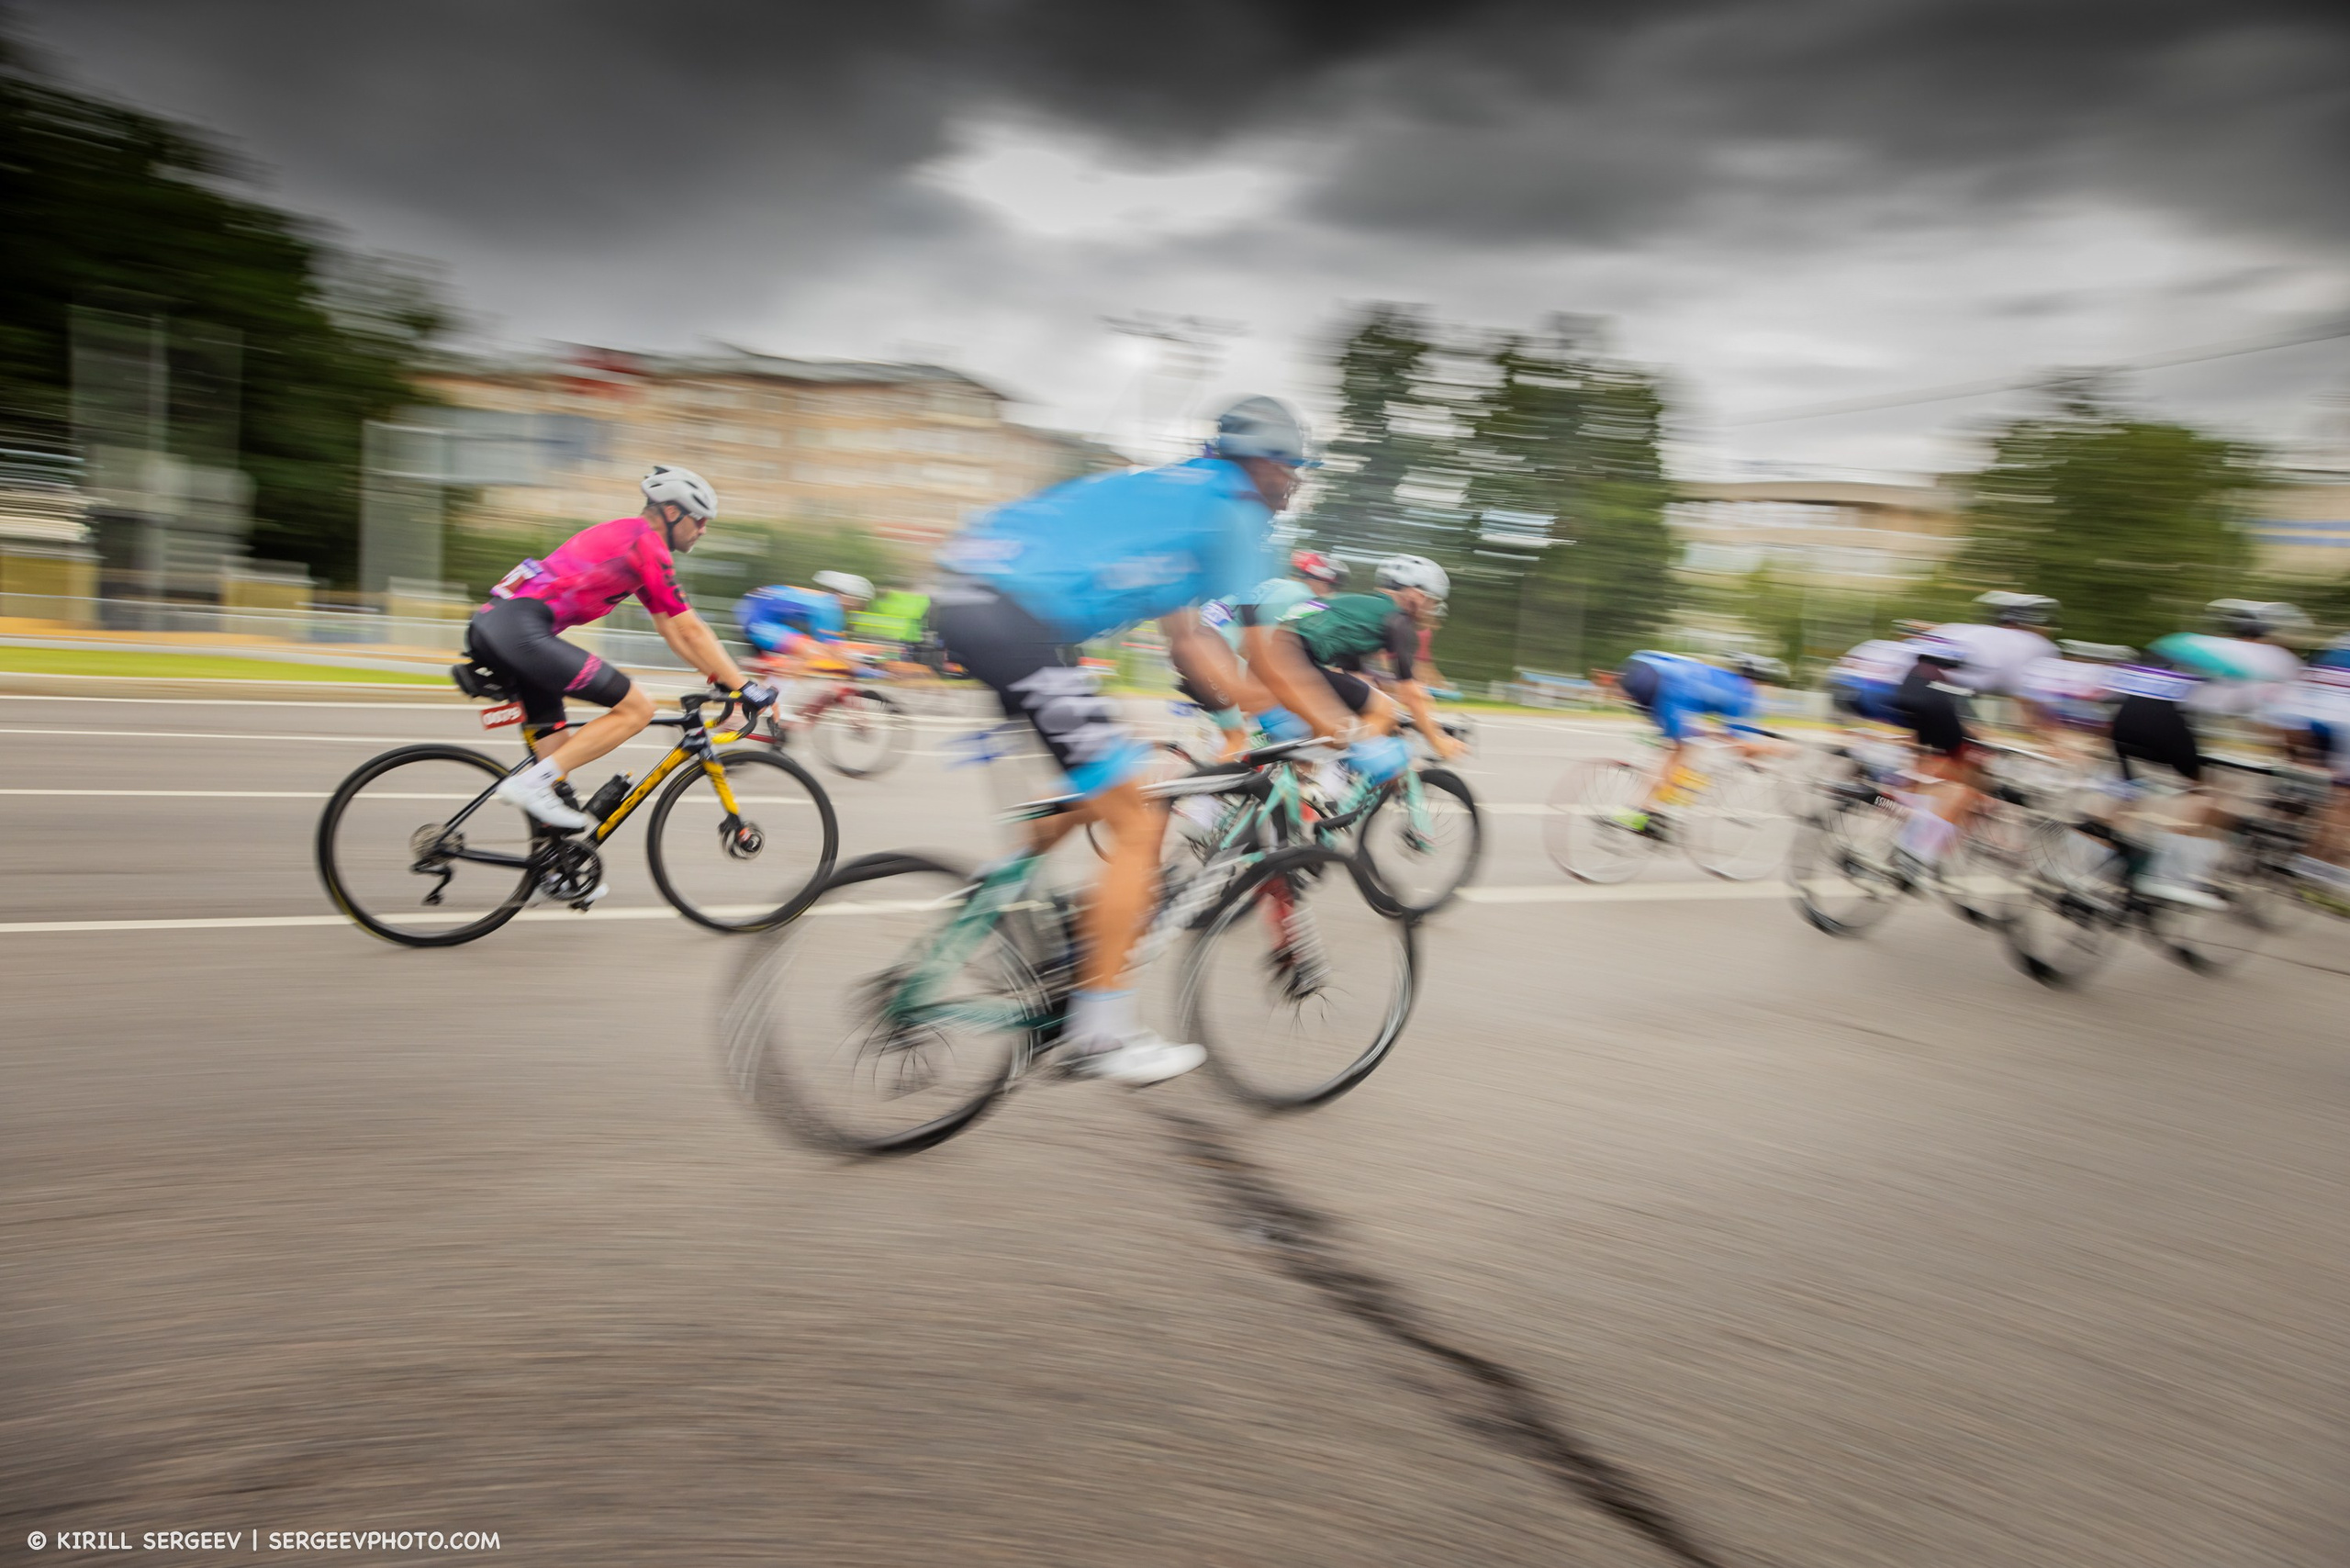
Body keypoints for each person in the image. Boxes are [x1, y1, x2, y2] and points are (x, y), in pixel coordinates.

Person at [930, 394, 1322, 1086]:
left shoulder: (1182, 495)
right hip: (1013, 619)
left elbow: (1191, 643)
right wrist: (1340, 729)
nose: (1291, 485)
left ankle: (1000, 888)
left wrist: (1252, 710)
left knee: (1129, 771)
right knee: (1138, 816)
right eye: (1290, 469)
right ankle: (1101, 1032)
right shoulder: (1233, 511)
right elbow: (1265, 657)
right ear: (1262, 461)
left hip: (987, 602)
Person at [468, 465, 773, 838]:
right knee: (638, 708)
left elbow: (672, 629)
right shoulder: (646, 543)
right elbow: (691, 627)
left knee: (556, 772)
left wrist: (718, 679)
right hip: (518, 630)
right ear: (673, 513)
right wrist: (745, 686)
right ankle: (531, 785)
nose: (703, 529)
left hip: (501, 626)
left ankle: (557, 868)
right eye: (700, 519)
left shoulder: (633, 545)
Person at [1244, 554, 1468, 768]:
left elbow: (1355, 679)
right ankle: (1336, 780)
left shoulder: (1361, 610)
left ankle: (1306, 781)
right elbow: (1410, 693)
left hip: (1268, 660)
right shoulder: (1398, 620)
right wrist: (1438, 740)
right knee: (1383, 710)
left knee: (1341, 721)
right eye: (1432, 601)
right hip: (1288, 661)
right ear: (1416, 595)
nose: (1431, 609)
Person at [1606, 649, 1787, 834]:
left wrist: (1718, 735)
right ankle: (1638, 810)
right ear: (1760, 682)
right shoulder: (1744, 693)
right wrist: (1776, 750)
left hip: (1638, 668)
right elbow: (1741, 746)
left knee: (1685, 742)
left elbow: (1727, 734)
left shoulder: (1722, 679)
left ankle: (1651, 807)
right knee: (1683, 749)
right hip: (1662, 683)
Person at [1188, 549, 1348, 758]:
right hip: (1215, 657)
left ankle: (1219, 758)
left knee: (1254, 708)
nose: (1330, 594)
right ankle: (1207, 789)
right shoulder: (1302, 598)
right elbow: (1272, 655)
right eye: (1331, 587)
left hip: (1195, 647)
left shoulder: (1277, 585)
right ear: (1318, 582)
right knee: (1238, 737)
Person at [734, 571, 878, 678]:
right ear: (849, 596)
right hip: (759, 620)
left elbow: (835, 646)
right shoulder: (829, 608)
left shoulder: (826, 602)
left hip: (754, 613)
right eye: (861, 602)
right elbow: (833, 649)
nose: (860, 607)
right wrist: (864, 670)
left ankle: (764, 688)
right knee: (808, 653)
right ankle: (780, 702)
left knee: (806, 654)